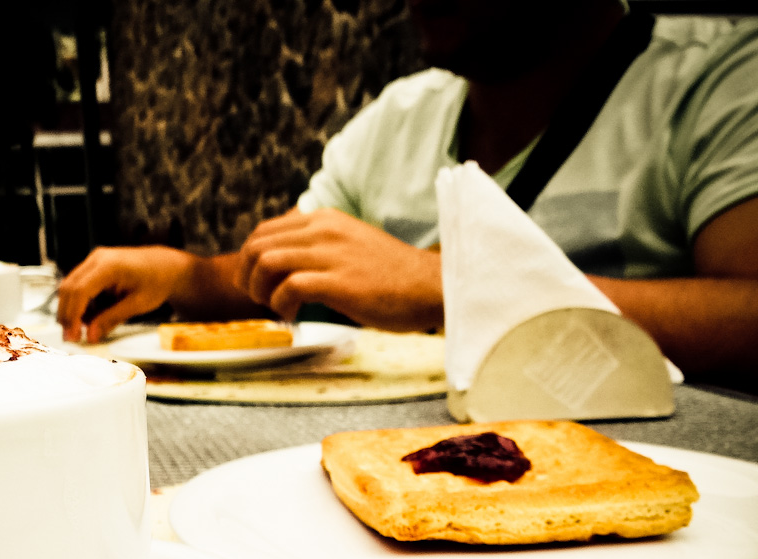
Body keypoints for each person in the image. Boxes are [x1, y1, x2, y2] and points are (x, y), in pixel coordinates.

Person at [57, 1, 758, 389]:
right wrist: (181, 273)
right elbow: (279, 267)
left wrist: (449, 284)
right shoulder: (396, 116)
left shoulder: (721, 81)